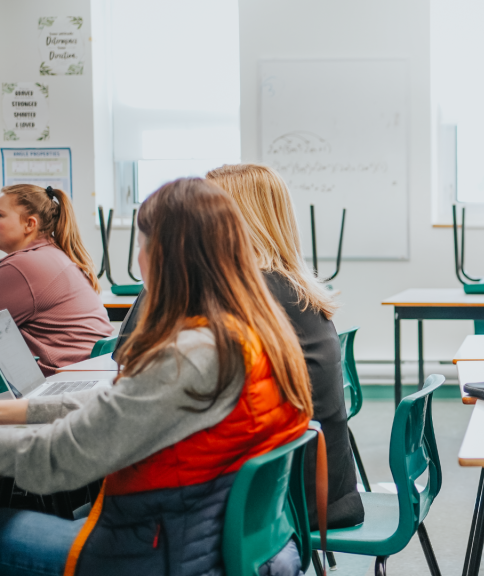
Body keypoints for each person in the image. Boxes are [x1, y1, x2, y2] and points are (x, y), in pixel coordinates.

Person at [0, 178, 313, 576]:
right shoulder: (255, 334)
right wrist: (14, 411)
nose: (140, 256)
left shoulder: (195, 355)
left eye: (141, 244)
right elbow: (127, 403)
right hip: (217, 544)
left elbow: (59, 459)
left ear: (164, 254)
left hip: (154, 554)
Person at [206, 163, 364, 530]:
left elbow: (131, 351)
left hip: (290, 498)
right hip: (325, 486)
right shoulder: (288, 284)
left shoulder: (250, 291)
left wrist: (168, 263)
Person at [0, 184, 111, 375]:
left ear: (30, 224)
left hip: (64, 383)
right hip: (88, 376)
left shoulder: (24, 266)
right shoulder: (52, 254)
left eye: (0, 215)